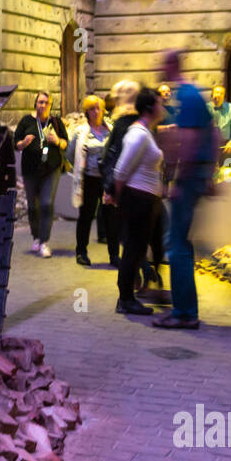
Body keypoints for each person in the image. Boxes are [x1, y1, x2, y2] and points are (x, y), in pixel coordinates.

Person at [153, 50, 218, 329]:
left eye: (161, 64)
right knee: (182, 243)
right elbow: (214, 134)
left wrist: (179, 179)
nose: (159, 69)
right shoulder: (192, 94)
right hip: (197, 176)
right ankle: (185, 309)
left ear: (170, 66)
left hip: (189, 180)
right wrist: (209, 175)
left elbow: (191, 141)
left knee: (177, 245)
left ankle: (184, 313)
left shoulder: (187, 96)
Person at [112, 89, 166, 315]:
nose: (163, 108)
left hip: (144, 198)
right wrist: (119, 198)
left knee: (138, 248)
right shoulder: (139, 134)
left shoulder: (146, 132)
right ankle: (125, 299)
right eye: (160, 104)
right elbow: (121, 170)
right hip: (137, 199)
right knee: (133, 249)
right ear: (149, 108)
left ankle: (129, 297)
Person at [14, 91, 68, 258]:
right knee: (33, 207)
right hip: (30, 171)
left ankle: (44, 241)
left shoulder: (56, 122)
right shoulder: (26, 121)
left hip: (51, 169)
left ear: (50, 105)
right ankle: (36, 237)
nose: (42, 105)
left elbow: (66, 144)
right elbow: (16, 144)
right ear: (35, 104)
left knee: (46, 204)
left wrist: (57, 141)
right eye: (40, 102)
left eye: (46, 102)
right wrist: (23, 143)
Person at [99, 80, 142, 268]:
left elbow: (112, 156)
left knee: (130, 237)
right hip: (133, 187)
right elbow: (114, 157)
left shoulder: (124, 123)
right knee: (131, 237)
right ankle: (133, 285)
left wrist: (109, 187)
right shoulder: (135, 123)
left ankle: (135, 282)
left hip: (128, 187)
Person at [69, 95, 112, 266]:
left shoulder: (110, 129)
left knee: (111, 216)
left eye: (98, 108)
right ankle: (81, 252)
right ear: (86, 111)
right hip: (89, 179)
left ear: (102, 110)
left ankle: (114, 255)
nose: (95, 112)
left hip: (108, 178)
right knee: (86, 216)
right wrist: (81, 165)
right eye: (91, 109)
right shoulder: (81, 131)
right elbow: (70, 154)